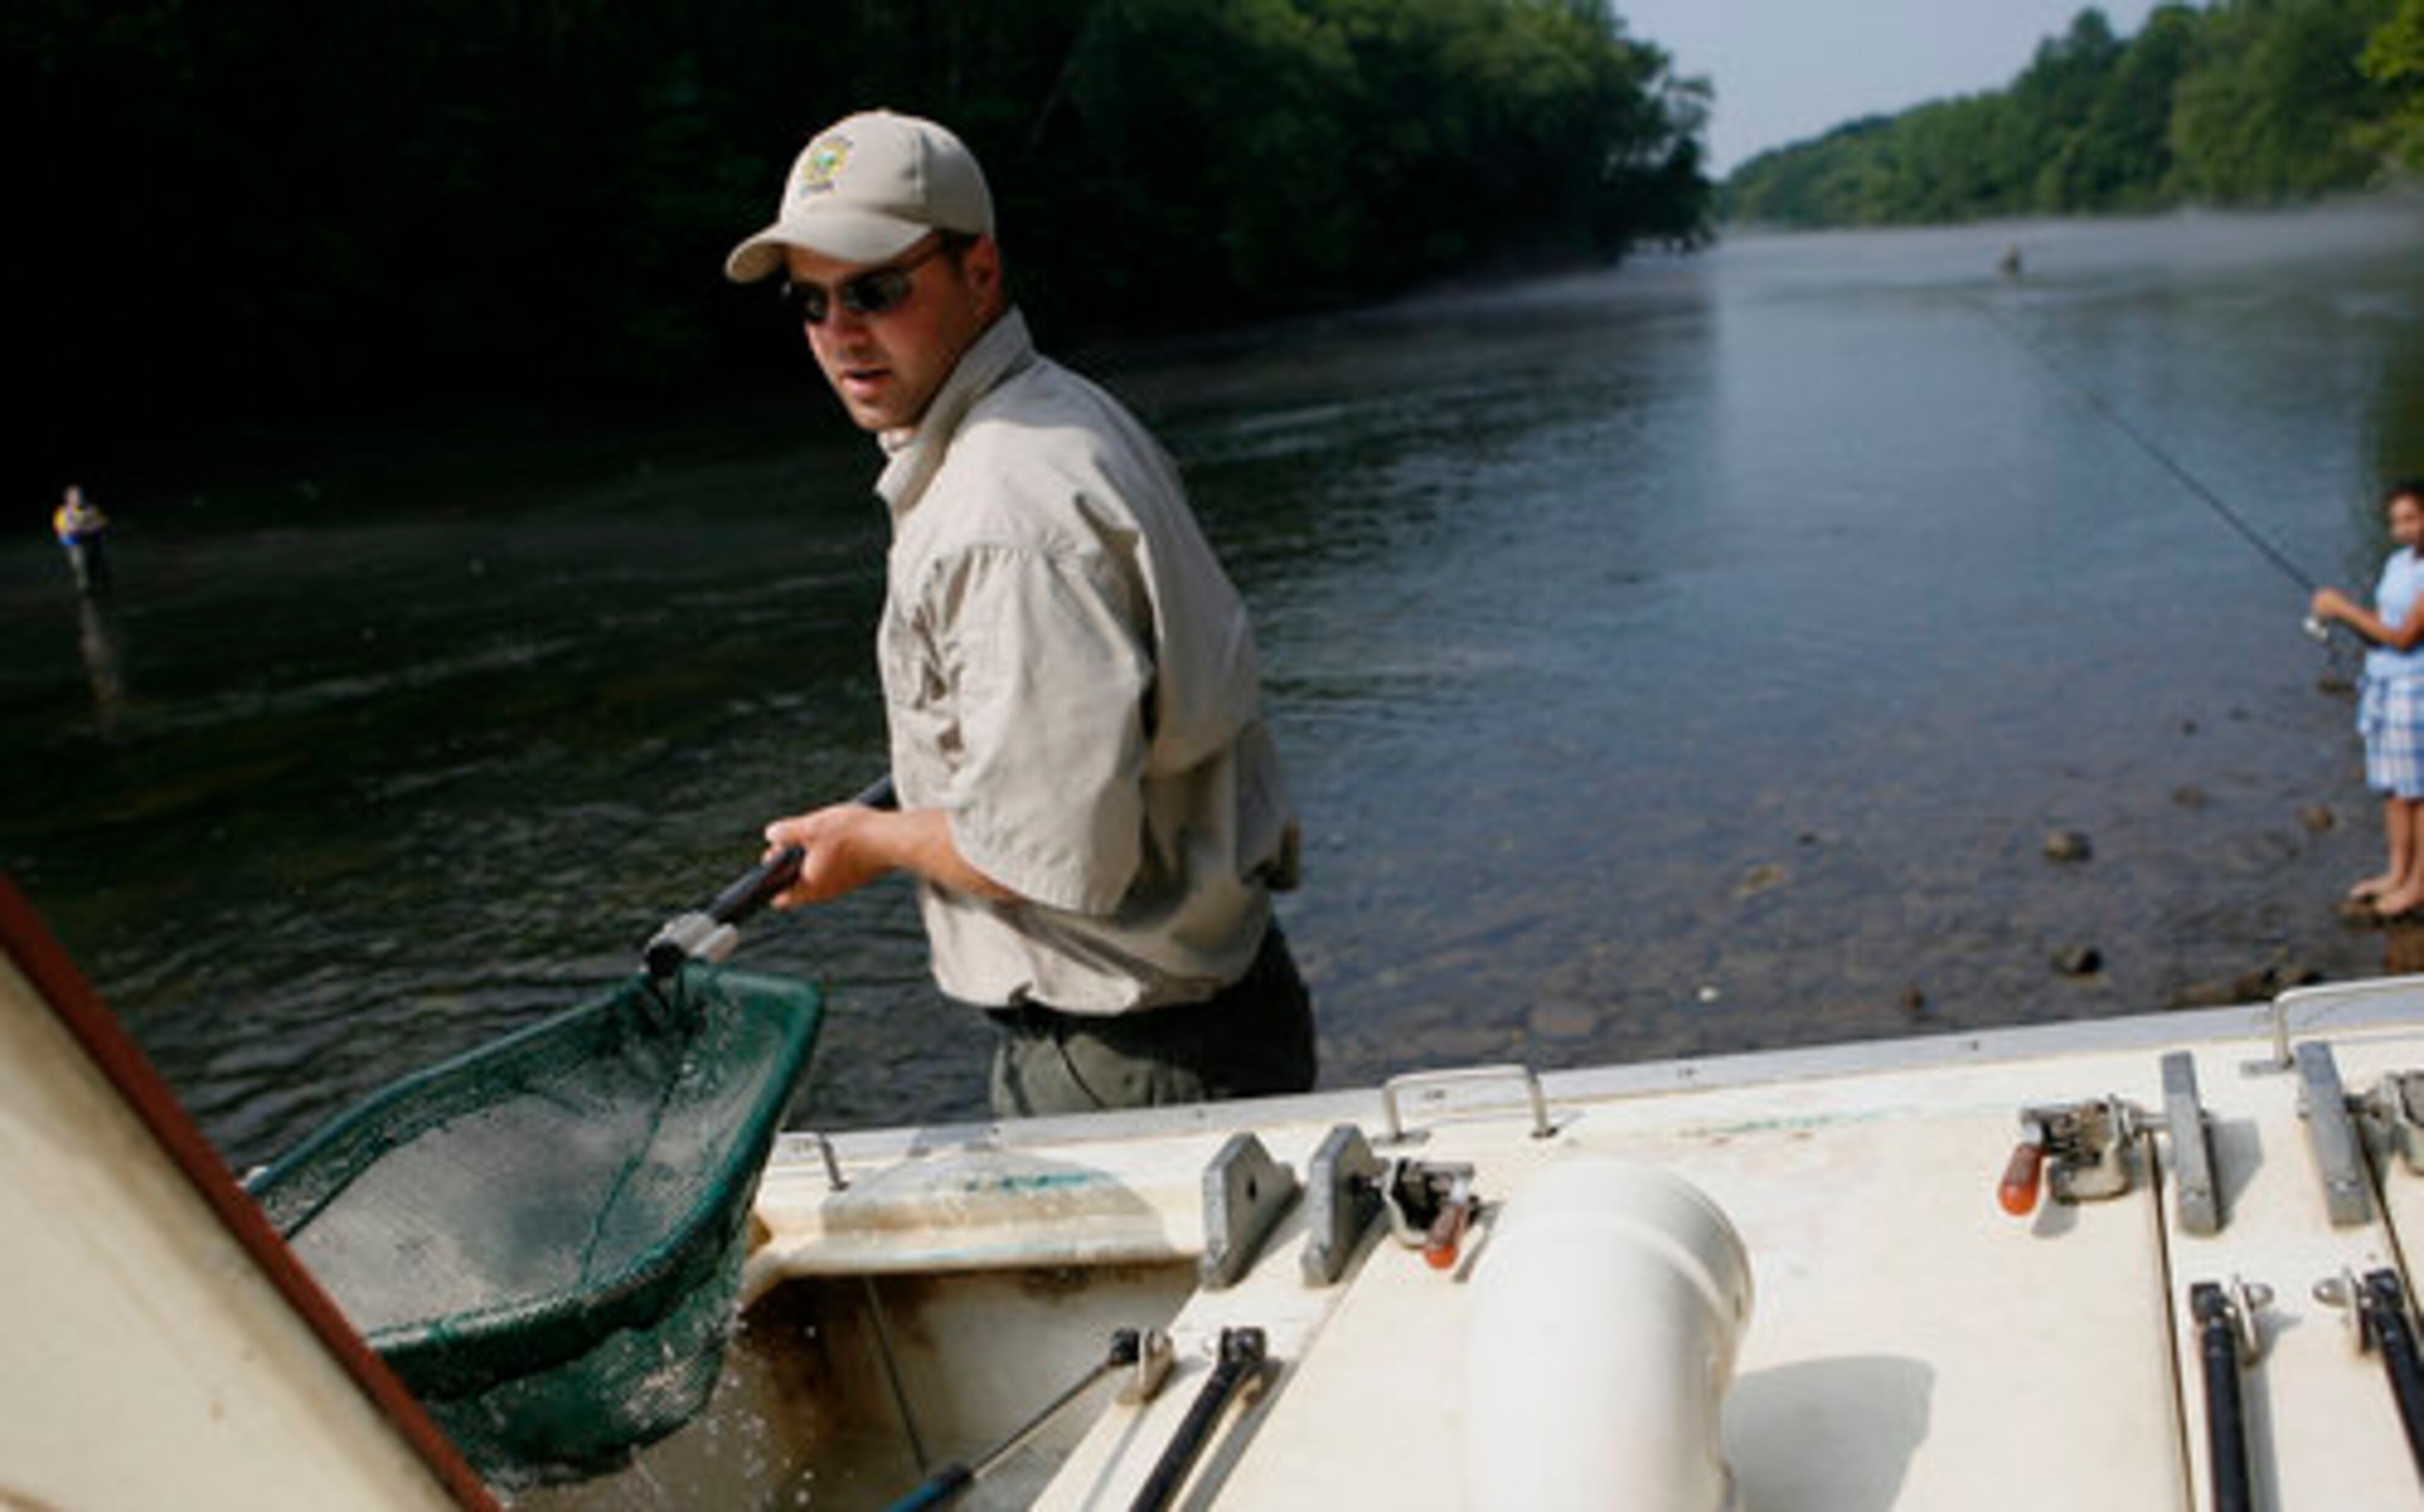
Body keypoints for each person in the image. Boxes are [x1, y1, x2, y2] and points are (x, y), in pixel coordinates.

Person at [725, 110, 1316, 1117]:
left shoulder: (998, 515)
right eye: (811, 301)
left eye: (877, 288)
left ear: (980, 271)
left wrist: (868, 843)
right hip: (1213, 1012)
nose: (842, 334)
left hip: (1132, 1064)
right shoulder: (1063, 412)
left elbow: (1052, 853)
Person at [2311, 478, 2424, 919]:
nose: (2403, 530)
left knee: (2420, 793)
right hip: (2383, 688)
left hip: (2416, 690)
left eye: (2412, 518)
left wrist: (2341, 608)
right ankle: (2397, 873)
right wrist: (2343, 619)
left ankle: (2418, 886)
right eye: (2396, 522)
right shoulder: (2398, 563)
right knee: (2393, 791)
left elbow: (2404, 637)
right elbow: (2381, 623)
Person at [52, 484, 110, 595]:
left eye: (80, 496)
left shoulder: (91, 509)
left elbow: (103, 523)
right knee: (81, 567)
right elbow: (64, 530)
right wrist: (82, 526)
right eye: (75, 496)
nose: (78, 499)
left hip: (92, 541)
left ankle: (102, 585)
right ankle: (86, 589)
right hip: (75, 544)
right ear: (68, 499)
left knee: (99, 563)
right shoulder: (64, 513)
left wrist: (90, 525)